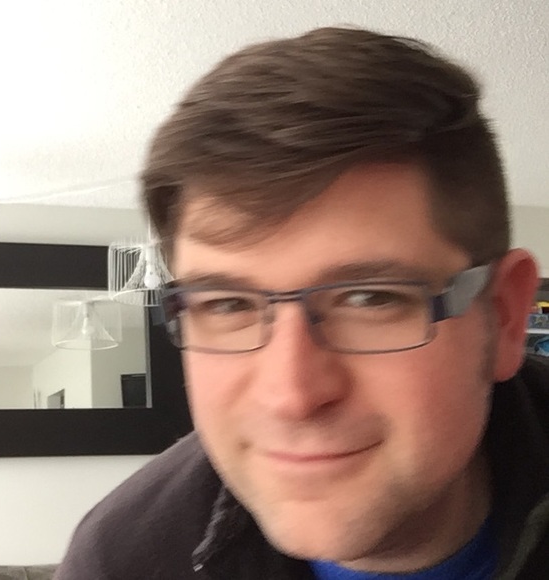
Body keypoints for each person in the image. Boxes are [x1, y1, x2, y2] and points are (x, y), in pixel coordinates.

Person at [55, 27, 549, 580]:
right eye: (228, 305)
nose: (291, 396)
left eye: (369, 298)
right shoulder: (121, 562)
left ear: (504, 317)